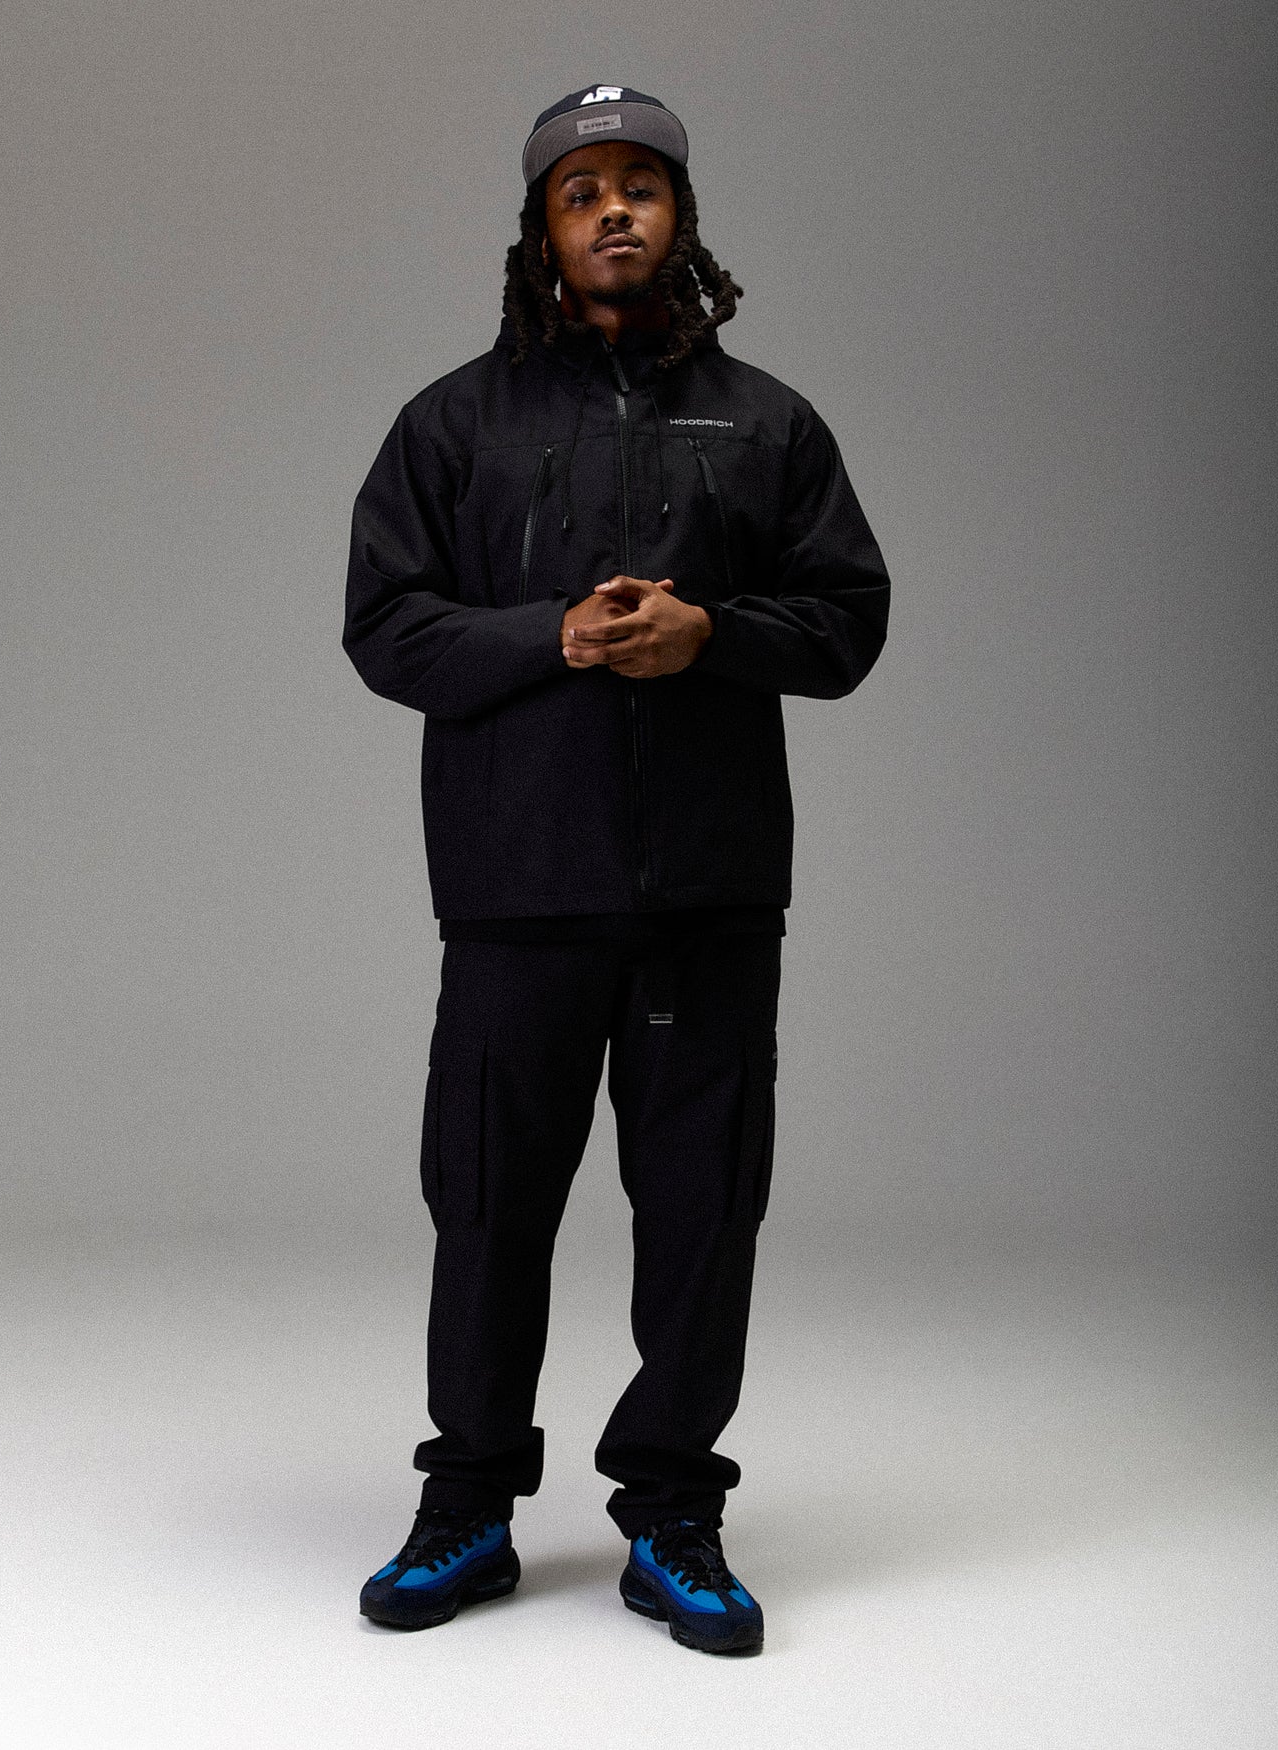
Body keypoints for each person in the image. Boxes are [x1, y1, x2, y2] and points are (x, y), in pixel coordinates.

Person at [342, 84, 889, 1655]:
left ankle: (671, 1514)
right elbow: (387, 627)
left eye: (641, 183)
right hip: (518, 890)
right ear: (542, 230)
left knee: (704, 1210)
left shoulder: (770, 423)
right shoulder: (452, 425)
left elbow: (847, 620)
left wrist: (714, 632)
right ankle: (468, 1505)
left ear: (682, 216)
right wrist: (557, 636)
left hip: (710, 895)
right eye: (582, 192)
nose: (615, 211)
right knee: (488, 1204)